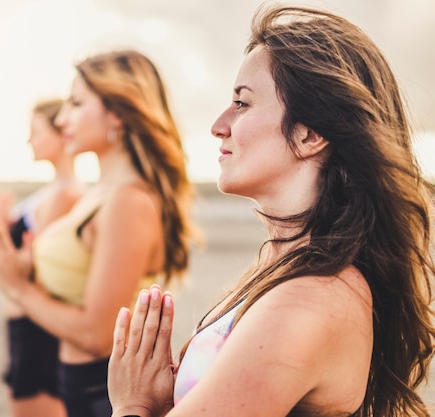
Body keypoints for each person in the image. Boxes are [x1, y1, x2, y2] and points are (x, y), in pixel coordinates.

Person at [107, 5, 435, 417]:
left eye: (241, 104)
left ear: (310, 133)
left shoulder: (311, 300)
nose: (218, 124)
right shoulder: (286, 267)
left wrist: (131, 404)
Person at [0, 49, 196, 417]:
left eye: (76, 104)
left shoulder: (130, 202)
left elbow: (96, 336)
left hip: (101, 391)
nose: (63, 119)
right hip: (75, 383)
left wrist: (15, 285)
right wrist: (25, 264)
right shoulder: (100, 193)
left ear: (119, 112)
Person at [0, 98, 83, 417]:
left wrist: (0, 244)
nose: (28, 140)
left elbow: (33, 271)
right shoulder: (50, 192)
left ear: (60, 132)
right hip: (25, 320)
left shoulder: (66, 194)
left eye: (35, 131)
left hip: (37, 326)